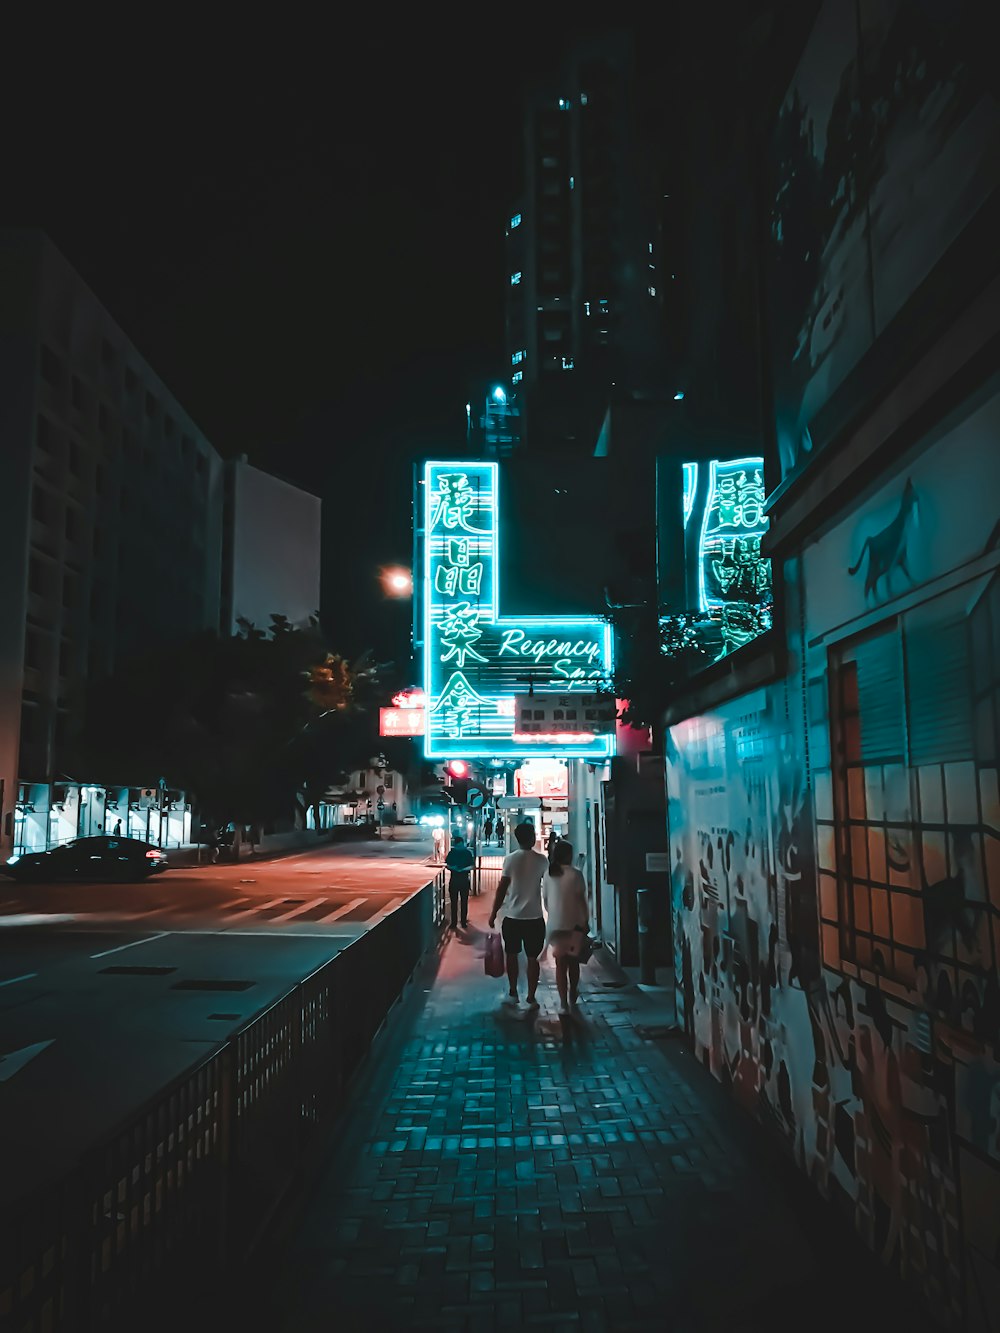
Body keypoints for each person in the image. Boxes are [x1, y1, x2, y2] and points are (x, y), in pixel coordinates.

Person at [489, 822, 547, 1006]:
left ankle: (513, 989)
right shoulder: (542, 860)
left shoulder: (510, 859)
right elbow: (550, 887)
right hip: (535, 918)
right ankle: (531, 995)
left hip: (513, 917)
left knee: (511, 955)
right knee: (533, 958)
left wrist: (493, 913)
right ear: (532, 837)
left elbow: (502, 888)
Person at [543, 840, 590, 1014]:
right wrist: (585, 921)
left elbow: (546, 900)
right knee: (573, 962)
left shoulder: (549, 873)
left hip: (556, 926)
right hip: (574, 924)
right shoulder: (576, 874)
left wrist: (555, 915)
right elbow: (581, 901)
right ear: (569, 855)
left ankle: (563, 1004)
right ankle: (572, 994)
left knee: (560, 965)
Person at [445, 834, 475, 929]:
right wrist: (464, 869)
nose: (459, 847)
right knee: (459, 902)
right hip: (462, 880)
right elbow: (472, 866)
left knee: (459, 902)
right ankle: (460, 922)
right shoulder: (467, 853)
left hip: (456, 880)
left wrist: (454, 868)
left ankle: (459, 922)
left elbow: (448, 864)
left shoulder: (453, 853)